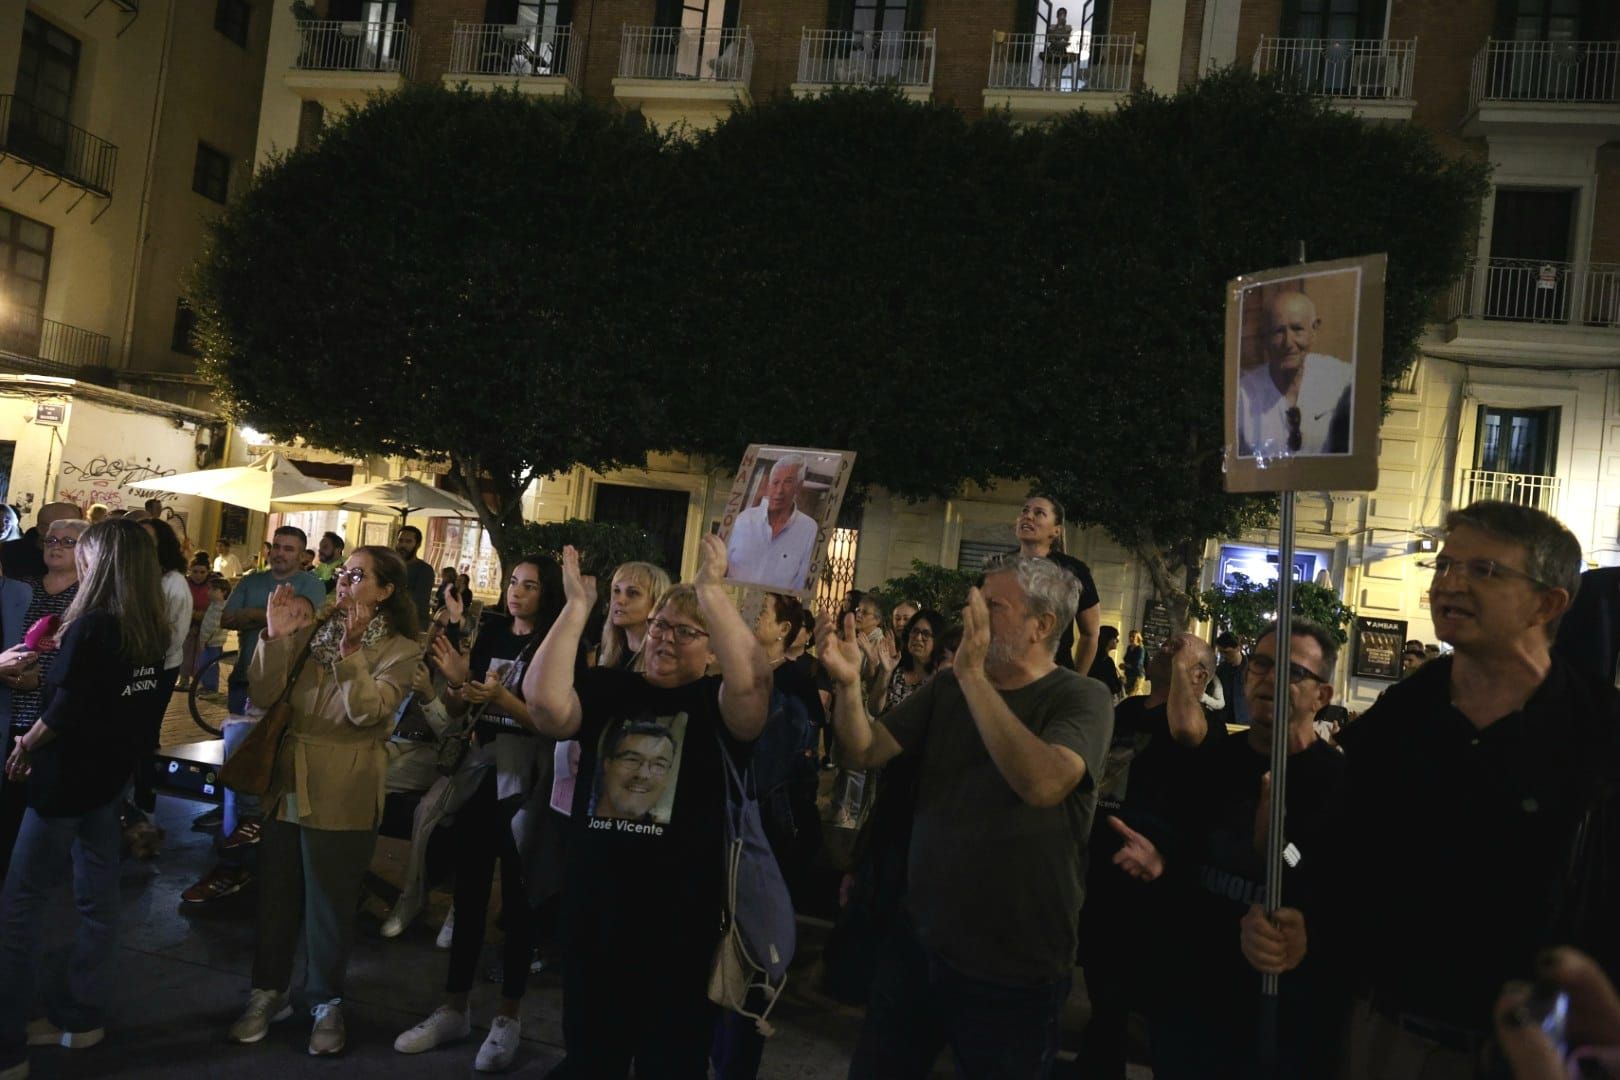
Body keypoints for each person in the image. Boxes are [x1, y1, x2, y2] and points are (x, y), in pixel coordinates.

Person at [1242, 501, 1620, 1078]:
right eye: (1445, 566)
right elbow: (1341, 855)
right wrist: (1301, 922)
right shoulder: (1403, 715)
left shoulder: (1599, 732)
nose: (1450, 583)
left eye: (1484, 571)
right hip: (1383, 1034)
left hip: (1531, 1053)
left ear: (1547, 603)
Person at [818, 553, 1113, 1078]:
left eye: (991, 604)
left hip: (1016, 965)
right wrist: (846, 685)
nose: (972, 610)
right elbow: (865, 748)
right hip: (922, 940)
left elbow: (1044, 783)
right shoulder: (950, 687)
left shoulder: (1081, 697)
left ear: (1041, 625)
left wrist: (974, 676)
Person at [521, 537, 770, 1076]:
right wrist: (575, 609)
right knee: (591, 1058)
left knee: (670, 1063)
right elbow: (543, 705)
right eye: (659, 625)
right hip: (597, 915)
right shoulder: (611, 688)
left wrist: (710, 589)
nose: (664, 638)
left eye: (685, 631)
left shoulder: (715, 704)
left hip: (680, 928)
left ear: (711, 650)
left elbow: (752, 682)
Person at [1123, 622, 1350, 1078]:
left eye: (1292, 671)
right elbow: (1183, 852)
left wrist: (1279, 847)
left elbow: (1327, 881)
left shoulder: (1338, 783)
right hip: (1193, 999)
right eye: (1262, 664)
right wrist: (1159, 862)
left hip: (1280, 1013)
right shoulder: (1213, 760)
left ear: (1321, 696)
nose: (1269, 678)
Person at [226, 546, 420, 1056]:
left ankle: (326, 1001)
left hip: (347, 784)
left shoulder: (402, 648)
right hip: (288, 779)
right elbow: (265, 695)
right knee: (277, 895)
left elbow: (369, 712)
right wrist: (273, 635)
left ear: (385, 591)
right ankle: (267, 992)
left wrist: (353, 653)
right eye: (344, 573)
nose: (345, 582)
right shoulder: (316, 630)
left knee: (330, 905)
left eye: (359, 576)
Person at [0, 518, 168, 1075]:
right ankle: (80, 1016)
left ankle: (8, 1045)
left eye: (84, 550)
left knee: (20, 906)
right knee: (98, 897)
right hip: (107, 779)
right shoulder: (150, 624)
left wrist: (27, 743)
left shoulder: (93, 625)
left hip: (64, 780)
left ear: (104, 561)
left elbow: (66, 706)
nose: (76, 558)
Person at [393, 554, 559, 1071]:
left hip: (524, 783)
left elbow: (552, 722)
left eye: (529, 586)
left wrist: (503, 698)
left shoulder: (556, 646)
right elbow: (464, 707)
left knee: (518, 901)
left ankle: (508, 1017)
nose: (517, 593)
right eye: (513, 583)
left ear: (546, 594)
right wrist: (458, 683)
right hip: (478, 777)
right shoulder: (490, 634)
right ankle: (453, 1008)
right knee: (467, 896)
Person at [1073, 632, 1215, 1078]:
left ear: (1200, 676)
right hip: (1101, 854)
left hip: (1148, 873)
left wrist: (1184, 674)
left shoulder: (1202, 719)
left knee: (1126, 983)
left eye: (1179, 652)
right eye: (1167, 648)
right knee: (1098, 971)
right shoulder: (1129, 711)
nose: (1165, 651)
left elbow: (1185, 730)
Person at [181, 526, 326, 903]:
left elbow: (302, 619)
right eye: (276, 547)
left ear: (301, 554)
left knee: (268, 775)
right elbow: (227, 619)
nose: (280, 553)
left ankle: (248, 855)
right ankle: (236, 842)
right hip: (247, 678)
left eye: (288, 548)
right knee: (241, 764)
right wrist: (269, 619)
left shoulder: (310, 584)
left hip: (287, 694)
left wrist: (259, 618)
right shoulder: (253, 579)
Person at [0, 518, 85, 879]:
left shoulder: (87, 598)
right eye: (51, 539)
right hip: (9, 703)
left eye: (68, 541)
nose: (57, 546)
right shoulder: (22, 589)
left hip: (52, 713)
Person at [1237, 290, 1353, 458]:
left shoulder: (1342, 379)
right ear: (1265, 337)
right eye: (1278, 331)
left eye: (1297, 329)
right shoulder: (1243, 394)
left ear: (1314, 329)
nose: (1288, 343)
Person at [132, 518, 194, 814]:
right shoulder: (137, 576)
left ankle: (144, 801)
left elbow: (173, 637)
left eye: (149, 540)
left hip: (159, 667)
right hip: (133, 666)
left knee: (144, 733)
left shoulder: (173, 583)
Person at [1015, 495, 1103, 675]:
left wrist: (1077, 680)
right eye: (1025, 510)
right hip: (1003, 676)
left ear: (1056, 531)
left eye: (1039, 513)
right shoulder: (997, 567)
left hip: (1053, 677)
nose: (1028, 516)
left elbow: (1090, 633)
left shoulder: (1074, 571)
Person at [725, 454, 819, 591]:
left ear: (798, 486)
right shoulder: (744, 520)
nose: (779, 491)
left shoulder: (808, 529)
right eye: (775, 483)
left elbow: (802, 583)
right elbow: (722, 566)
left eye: (787, 482)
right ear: (769, 486)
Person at [869, 607, 947, 717]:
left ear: (937, 640)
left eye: (926, 634)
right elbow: (874, 710)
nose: (918, 638)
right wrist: (886, 672)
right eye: (915, 631)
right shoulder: (897, 670)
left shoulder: (939, 679)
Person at [598, 561, 672, 671]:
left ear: (657, 602)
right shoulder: (604, 653)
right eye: (616, 591)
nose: (619, 600)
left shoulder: (665, 661)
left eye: (632, 593)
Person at [0, 502, 81, 583]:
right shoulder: (8, 553)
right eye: (64, 527)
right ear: (41, 529)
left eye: (78, 526)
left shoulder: (84, 555)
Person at [178, 554, 212, 692]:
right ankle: (183, 679)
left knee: (201, 654)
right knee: (184, 652)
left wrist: (203, 616)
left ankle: (199, 681)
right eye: (195, 572)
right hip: (186, 624)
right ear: (189, 570)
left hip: (206, 624)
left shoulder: (212, 585)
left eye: (202, 572)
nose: (198, 575)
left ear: (208, 571)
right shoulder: (183, 583)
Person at [194, 575, 230, 693]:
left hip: (212, 643)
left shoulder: (219, 608)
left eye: (214, 589)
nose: (209, 592)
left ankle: (211, 689)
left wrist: (204, 640)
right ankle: (206, 687)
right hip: (211, 642)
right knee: (205, 665)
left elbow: (212, 627)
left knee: (209, 666)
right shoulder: (215, 605)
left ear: (224, 592)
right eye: (209, 589)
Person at [394, 525, 436, 625]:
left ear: (417, 544)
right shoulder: (389, 566)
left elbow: (417, 602)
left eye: (408, 541)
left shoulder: (425, 570)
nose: (403, 545)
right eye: (400, 540)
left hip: (413, 625)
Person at [1212, 630, 1250, 727]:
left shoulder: (1251, 669)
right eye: (1221, 652)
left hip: (1245, 721)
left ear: (1238, 648)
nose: (1224, 656)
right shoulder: (1221, 669)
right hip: (1223, 721)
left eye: (1227, 652)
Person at [1087, 624, 1124, 699]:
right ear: (1107, 639)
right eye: (1115, 638)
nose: (1117, 640)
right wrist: (1121, 682)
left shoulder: (1090, 656)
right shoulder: (1107, 661)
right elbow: (1114, 688)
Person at [1122, 629, 1147, 695]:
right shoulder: (1129, 647)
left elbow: (1137, 664)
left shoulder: (1140, 649)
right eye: (1130, 636)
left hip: (1137, 676)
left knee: (1132, 695)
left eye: (1133, 636)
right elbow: (1126, 659)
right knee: (1129, 694)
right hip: (1129, 675)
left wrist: (1125, 665)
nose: (1131, 638)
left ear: (1138, 638)